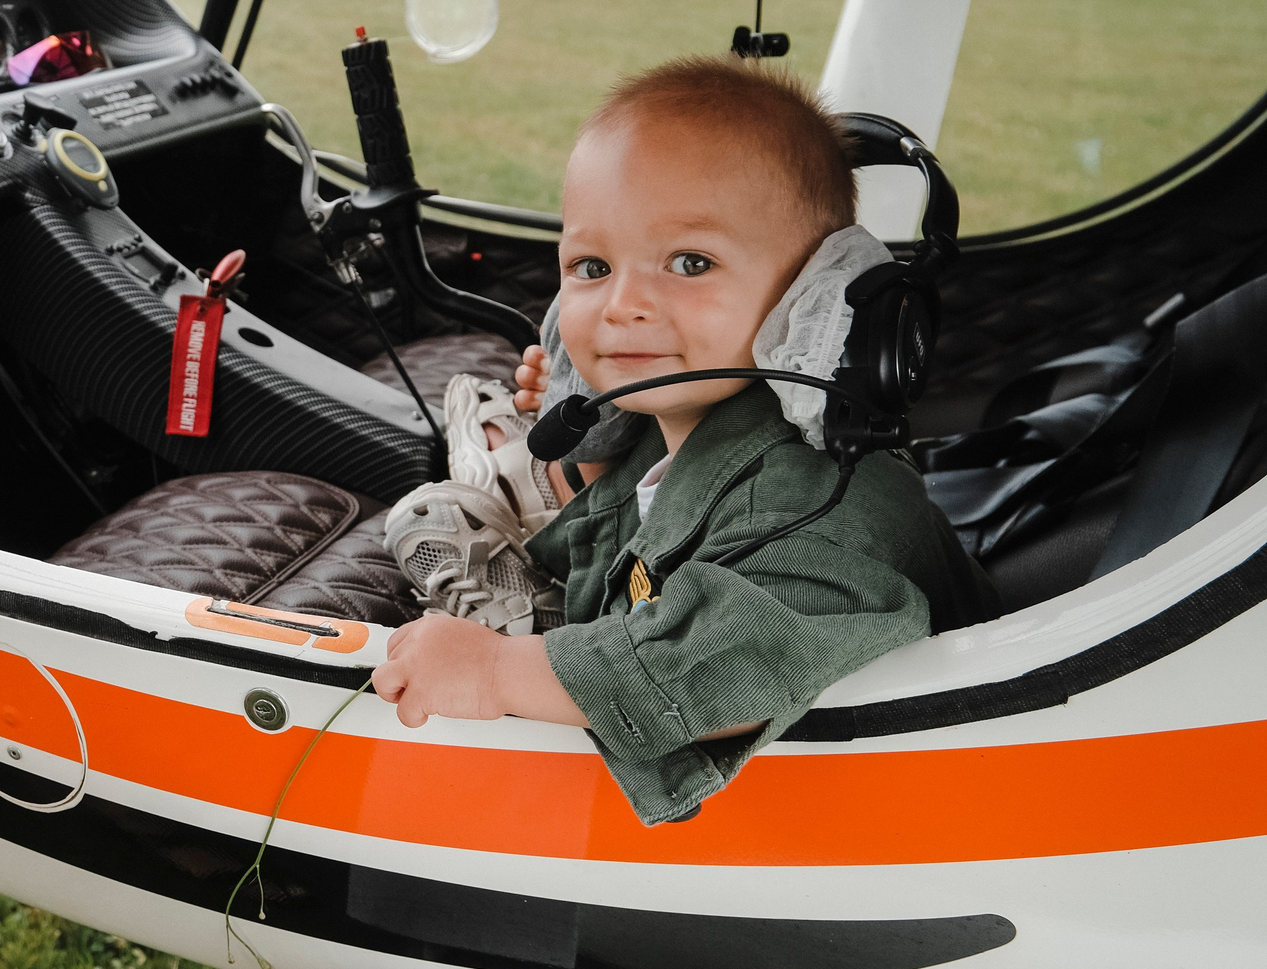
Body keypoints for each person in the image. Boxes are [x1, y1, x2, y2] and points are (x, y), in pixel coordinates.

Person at [374, 58, 994, 825]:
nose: (625, 304)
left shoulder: (818, 508)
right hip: (646, 613)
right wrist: (591, 449)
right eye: (592, 266)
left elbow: (720, 670)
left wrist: (498, 672)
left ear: (818, 304)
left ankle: (534, 629)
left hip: (873, 814)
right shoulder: (694, 421)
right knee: (433, 512)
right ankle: (532, 554)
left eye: (689, 262)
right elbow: (637, 529)